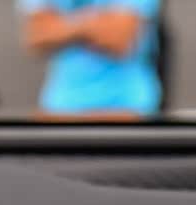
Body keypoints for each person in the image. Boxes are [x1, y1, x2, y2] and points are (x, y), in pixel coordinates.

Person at [18, 0, 162, 118]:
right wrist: (96, 22)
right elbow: (36, 37)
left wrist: (61, 26)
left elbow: (118, 39)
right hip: (60, 105)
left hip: (126, 104)